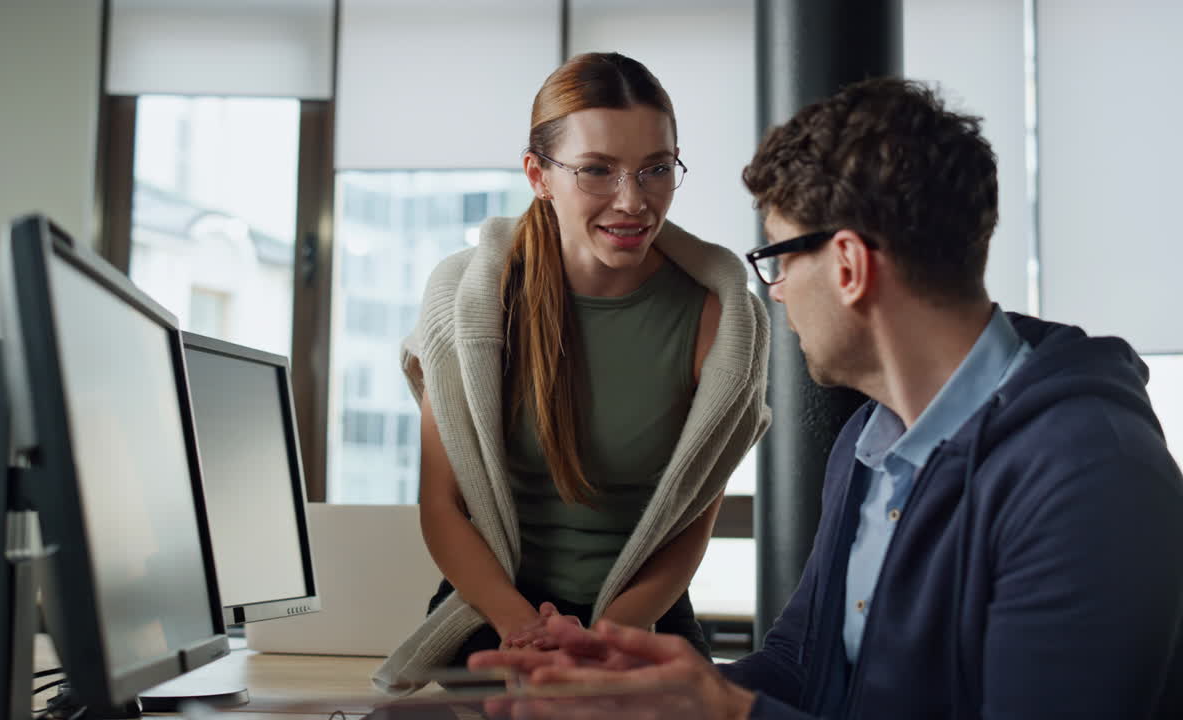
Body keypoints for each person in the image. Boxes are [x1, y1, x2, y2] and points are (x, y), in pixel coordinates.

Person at [470, 76, 1183, 718]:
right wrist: (642, 687)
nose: (773, 294)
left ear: (847, 266)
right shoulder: (868, 443)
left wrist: (725, 714)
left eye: (778, 257)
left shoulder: (1092, 478)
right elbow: (800, 673)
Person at [372, 52, 772, 695]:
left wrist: (603, 638)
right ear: (538, 175)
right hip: (493, 612)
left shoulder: (721, 320)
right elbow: (442, 507)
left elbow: (696, 516)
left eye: (656, 170)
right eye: (596, 171)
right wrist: (522, 626)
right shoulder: (468, 298)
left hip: (641, 616)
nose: (633, 200)